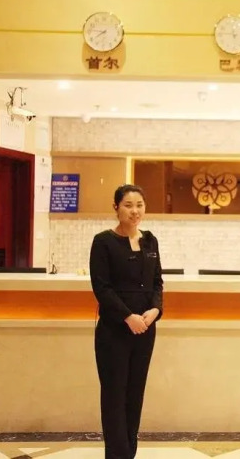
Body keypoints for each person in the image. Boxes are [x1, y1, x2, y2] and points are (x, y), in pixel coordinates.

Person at [89, 184, 163, 459]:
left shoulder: (150, 241)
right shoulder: (103, 242)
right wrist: (127, 316)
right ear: (116, 208)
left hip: (145, 329)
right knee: (114, 395)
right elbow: (102, 288)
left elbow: (157, 282)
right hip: (114, 330)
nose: (135, 211)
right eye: (128, 205)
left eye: (139, 205)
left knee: (135, 394)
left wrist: (155, 310)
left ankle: (128, 453)